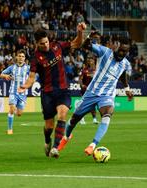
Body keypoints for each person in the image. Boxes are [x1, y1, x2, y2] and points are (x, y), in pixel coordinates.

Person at [18, 22, 86, 158]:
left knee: (62, 115)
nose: (46, 45)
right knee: (49, 127)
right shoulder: (35, 57)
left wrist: (79, 32)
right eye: (42, 43)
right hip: (48, 93)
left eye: (47, 42)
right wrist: (25, 86)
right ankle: (47, 141)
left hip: (63, 90)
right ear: (37, 43)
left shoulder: (57, 45)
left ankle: (55, 148)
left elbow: (77, 44)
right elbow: (31, 77)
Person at [59, 35, 134, 156]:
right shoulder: (104, 52)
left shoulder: (125, 63)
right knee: (74, 119)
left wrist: (127, 88)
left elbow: (122, 75)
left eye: (125, 52)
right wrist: (89, 37)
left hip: (107, 95)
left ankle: (92, 145)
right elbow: (85, 46)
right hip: (91, 93)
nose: (122, 54)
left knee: (107, 113)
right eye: (120, 50)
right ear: (115, 46)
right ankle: (66, 137)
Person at [0, 49, 30, 135]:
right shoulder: (12, 67)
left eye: (23, 56)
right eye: (19, 56)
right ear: (16, 57)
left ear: (25, 58)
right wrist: (6, 76)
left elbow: (34, 76)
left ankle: (15, 110)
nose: (21, 58)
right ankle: (10, 129)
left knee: (19, 113)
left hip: (23, 94)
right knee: (12, 109)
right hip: (13, 92)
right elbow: (1, 74)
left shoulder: (28, 68)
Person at [78, 55, 99, 125]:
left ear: (94, 61)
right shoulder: (84, 70)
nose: (90, 62)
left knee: (92, 105)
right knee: (83, 105)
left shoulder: (97, 70)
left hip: (93, 90)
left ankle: (94, 119)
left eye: (91, 60)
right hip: (85, 90)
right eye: (89, 61)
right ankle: (81, 118)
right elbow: (80, 79)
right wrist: (82, 85)